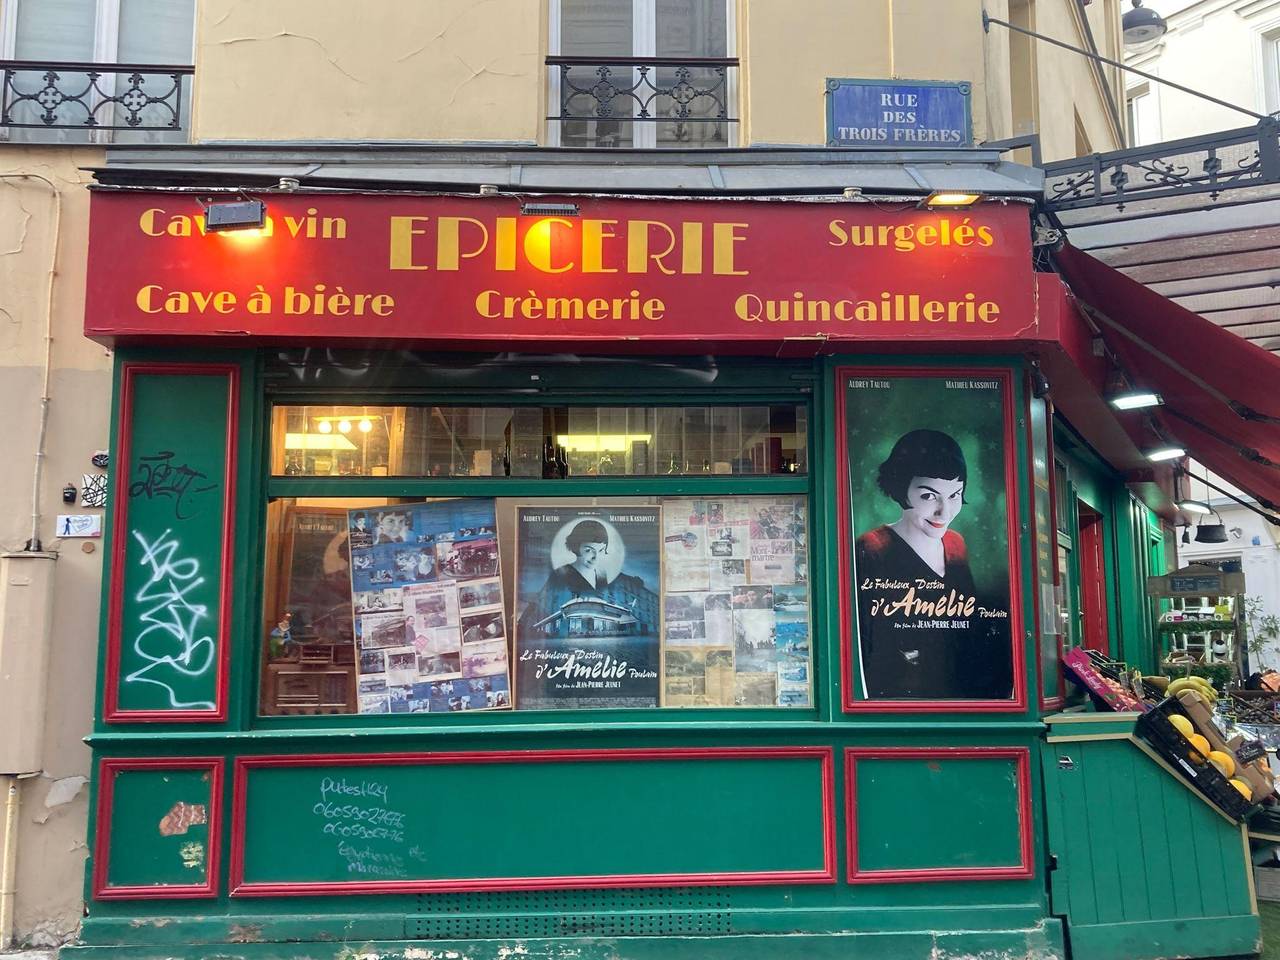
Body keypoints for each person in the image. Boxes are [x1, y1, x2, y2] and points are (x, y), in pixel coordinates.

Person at [854, 429, 1009, 700]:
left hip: (960, 692)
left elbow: (969, 625)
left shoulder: (956, 544)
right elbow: (867, 641)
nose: (944, 512)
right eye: (928, 496)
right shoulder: (873, 549)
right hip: (897, 699)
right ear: (900, 488)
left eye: (954, 495)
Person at [518, 519, 612, 638]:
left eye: (601, 550)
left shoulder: (602, 575)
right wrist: (522, 627)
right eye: (588, 550)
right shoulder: (560, 574)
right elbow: (539, 605)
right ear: (576, 547)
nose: (596, 557)